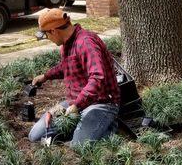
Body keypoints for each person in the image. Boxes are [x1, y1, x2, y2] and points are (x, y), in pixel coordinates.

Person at [28, 8, 120, 146]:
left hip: (100, 103)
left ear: (53, 31)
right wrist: (46, 76)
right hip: (76, 103)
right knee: (35, 136)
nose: (48, 39)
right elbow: (67, 66)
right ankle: (83, 128)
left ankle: (109, 126)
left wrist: (77, 105)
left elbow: (97, 77)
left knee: (78, 146)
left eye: (46, 35)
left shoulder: (86, 43)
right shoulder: (67, 43)